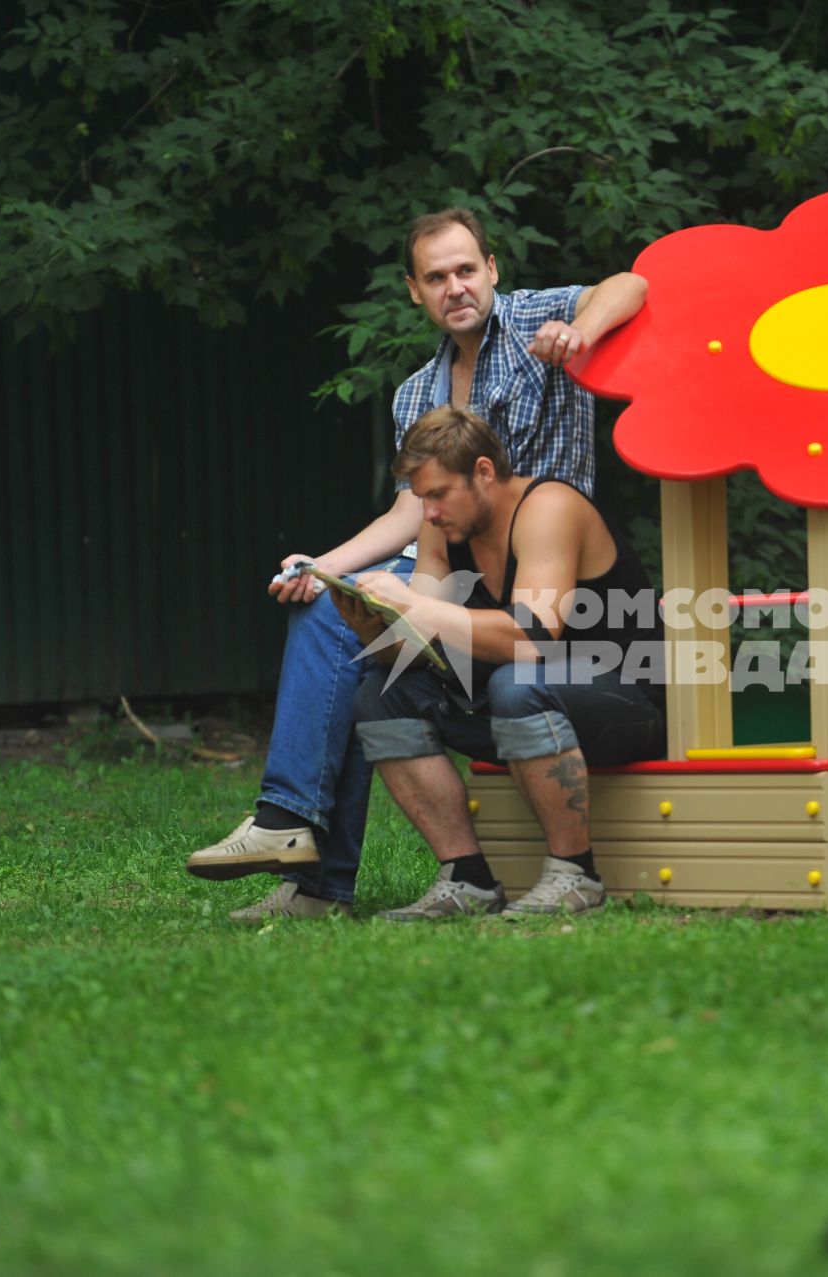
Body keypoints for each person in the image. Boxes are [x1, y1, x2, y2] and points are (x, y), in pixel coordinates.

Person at [186, 208, 647, 920]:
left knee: (508, 667)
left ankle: (308, 849)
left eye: (467, 269)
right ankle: (328, 865)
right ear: (414, 290)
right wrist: (326, 568)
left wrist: (581, 332)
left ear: (492, 268)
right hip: (469, 570)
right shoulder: (416, 396)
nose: (455, 286)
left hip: (551, 583)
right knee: (344, 634)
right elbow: (416, 511)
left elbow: (631, 285)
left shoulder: (534, 327)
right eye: (436, 276)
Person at [333, 406, 666, 921]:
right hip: (524, 703)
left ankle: (575, 875)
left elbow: (532, 638)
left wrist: (415, 606)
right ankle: (466, 879)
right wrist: (371, 625)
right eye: (422, 498)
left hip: (628, 702)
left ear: (484, 472)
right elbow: (419, 648)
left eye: (439, 494)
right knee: (382, 693)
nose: (430, 512)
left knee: (518, 681)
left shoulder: (549, 507)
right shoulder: (441, 527)